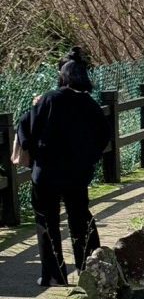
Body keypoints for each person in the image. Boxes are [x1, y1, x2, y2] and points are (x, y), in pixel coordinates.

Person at [16, 47, 111, 286]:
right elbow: (103, 138)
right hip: (77, 174)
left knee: (47, 222)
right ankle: (88, 268)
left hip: (46, 172)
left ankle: (55, 275)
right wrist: (88, 159)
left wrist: (38, 151)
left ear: (62, 74)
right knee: (80, 218)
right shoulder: (90, 105)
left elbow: (26, 131)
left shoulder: (48, 99)